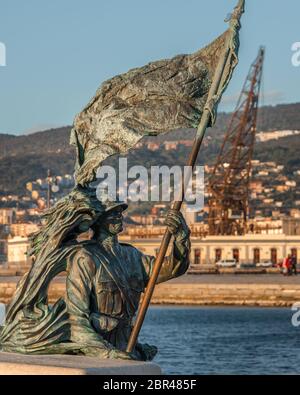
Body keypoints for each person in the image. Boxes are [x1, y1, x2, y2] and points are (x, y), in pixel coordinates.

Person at [65, 201, 191, 361]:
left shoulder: (132, 255)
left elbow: (172, 268)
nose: (119, 216)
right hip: (99, 347)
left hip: (127, 344)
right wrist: (106, 353)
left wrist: (181, 238)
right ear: (97, 220)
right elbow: (75, 318)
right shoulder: (85, 258)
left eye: (120, 212)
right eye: (113, 213)